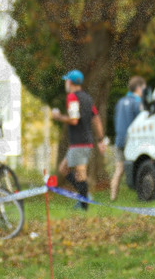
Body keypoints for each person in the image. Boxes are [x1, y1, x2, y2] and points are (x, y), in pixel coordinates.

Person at [51, 69, 106, 210]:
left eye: (66, 81)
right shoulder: (87, 98)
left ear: (70, 82)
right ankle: (84, 195)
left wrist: (58, 117)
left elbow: (74, 120)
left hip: (79, 142)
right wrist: (100, 140)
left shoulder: (72, 97)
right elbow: (97, 119)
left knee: (81, 173)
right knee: (63, 168)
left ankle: (84, 204)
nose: (65, 83)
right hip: (84, 141)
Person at [111, 76, 146, 201]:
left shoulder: (120, 102)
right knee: (138, 165)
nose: (144, 91)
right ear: (138, 88)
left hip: (119, 139)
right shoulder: (137, 102)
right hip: (132, 140)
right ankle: (141, 194)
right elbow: (141, 120)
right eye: (143, 88)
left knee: (119, 169)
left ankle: (113, 196)